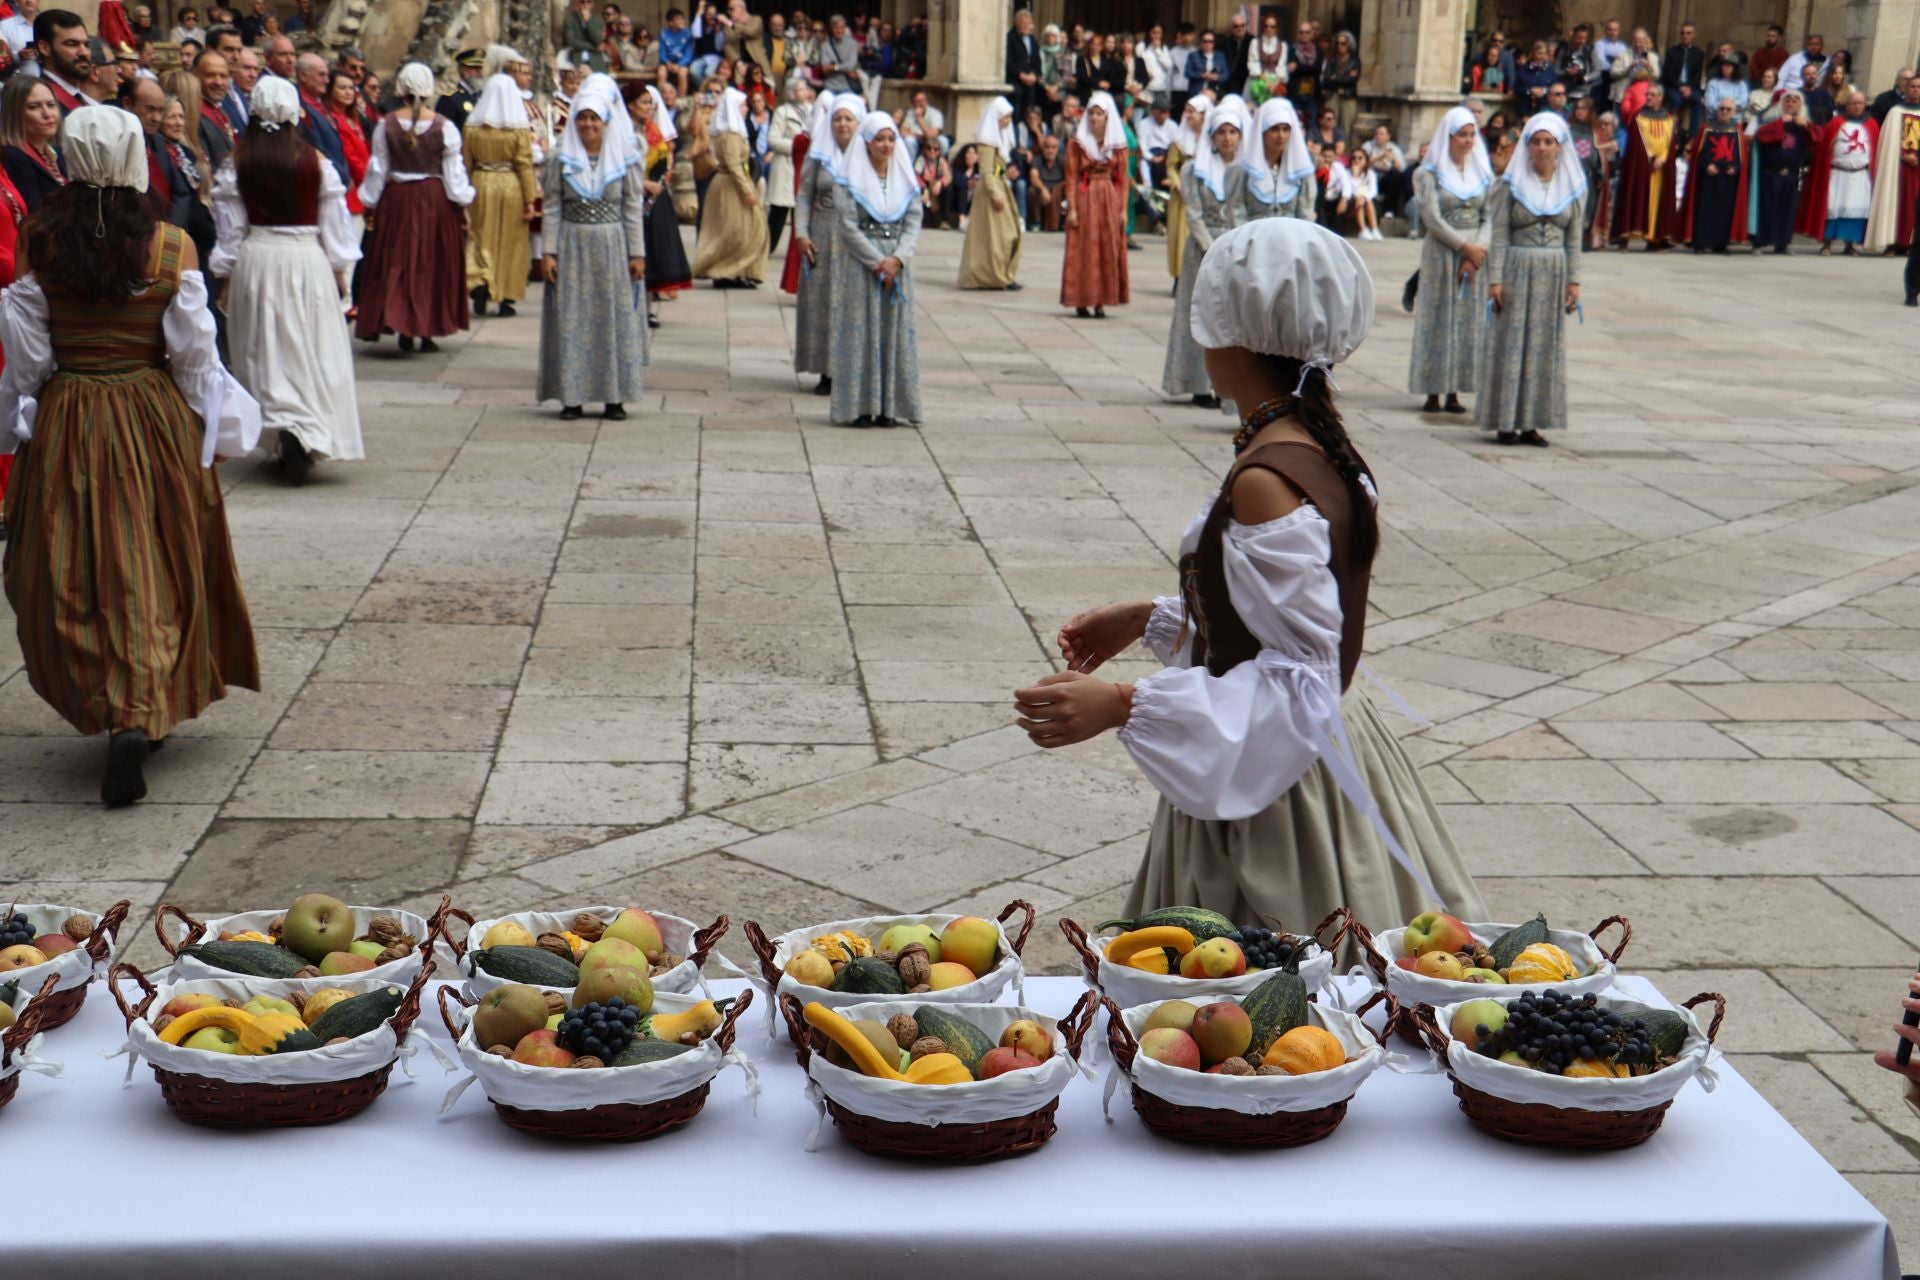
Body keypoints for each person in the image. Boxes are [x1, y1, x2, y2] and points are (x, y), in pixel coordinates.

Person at [1020, 216, 1484, 944]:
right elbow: (1286, 622)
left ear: (1230, 334)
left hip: (1283, 787)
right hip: (1327, 752)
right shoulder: (1314, 443)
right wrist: (1151, 617)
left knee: (1269, 1006)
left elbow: (1298, 681)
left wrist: (1119, 703)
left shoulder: (1265, 478)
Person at [0, 106, 260, 805]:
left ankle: (110, 697)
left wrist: (15, 429)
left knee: (71, 570)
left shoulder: (40, 242)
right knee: (159, 558)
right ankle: (140, 705)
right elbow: (196, 361)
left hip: (71, 415)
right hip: (151, 418)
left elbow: (27, 365)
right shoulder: (170, 245)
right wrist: (219, 429)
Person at [210, 76, 359, 486]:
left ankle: (282, 423)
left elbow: (230, 230)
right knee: (309, 346)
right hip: (306, 259)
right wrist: (340, 269)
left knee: (265, 347)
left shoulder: (236, 163)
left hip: (257, 259)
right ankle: (304, 425)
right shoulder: (316, 162)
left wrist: (225, 275)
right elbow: (334, 223)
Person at [536, 78, 647, 422]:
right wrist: (549, 252)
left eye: (594, 119)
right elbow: (552, 206)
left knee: (612, 318)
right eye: (582, 118)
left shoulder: (623, 158)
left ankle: (614, 396)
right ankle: (573, 396)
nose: (588, 125)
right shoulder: (560, 158)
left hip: (612, 244)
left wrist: (637, 252)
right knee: (573, 318)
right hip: (573, 243)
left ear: (605, 122)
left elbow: (631, 206)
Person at [1478, 113, 1583, 447]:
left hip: (1553, 270)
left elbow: (1574, 239)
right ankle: (1507, 420)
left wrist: (1574, 281)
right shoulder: (1510, 185)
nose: (1542, 148)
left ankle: (1533, 423)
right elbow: (1499, 235)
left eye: (1548, 142)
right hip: (1517, 267)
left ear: (1559, 147)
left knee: (1543, 346)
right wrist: (1495, 279)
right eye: (1536, 141)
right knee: (1511, 343)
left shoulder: (1572, 186)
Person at [355, 62, 474, 352]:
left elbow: (378, 169)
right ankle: (426, 330)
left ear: (402, 88)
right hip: (434, 201)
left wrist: (370, 201)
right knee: (430, 262)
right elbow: (454, 175)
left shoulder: (387, 125)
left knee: (399, 261)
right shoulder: (444, 127)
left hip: (397, 200)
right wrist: (462, 204)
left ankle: (404, 327)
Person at [826, 109, 919, 428]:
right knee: (862, 331)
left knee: (893, 332)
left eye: (891, 139)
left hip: (897, 265)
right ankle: (861, 406)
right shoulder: (850, 176)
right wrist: (877, 261)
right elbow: (848, 226)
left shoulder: (903, 175)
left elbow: (914, 219)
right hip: (864, 267)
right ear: (866, 142)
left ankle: (890, 406)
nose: (886, 145)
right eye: (879, 139)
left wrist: (899, 258)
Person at [1161, 94, 1243, 408]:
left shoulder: (1245, 171)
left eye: (1232, 132)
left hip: (1235, 249)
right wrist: (1212, 247)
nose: (1226, 138)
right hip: (1203, 250)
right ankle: (1197, 382)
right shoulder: (1194, 169)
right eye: (1221, 132)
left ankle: (1227, 385)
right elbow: (1193, 213)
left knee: (1230, 318)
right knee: (1200, 313)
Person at [1408, 107, 1491, 416]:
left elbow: (1490, 216)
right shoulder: (1428, 174)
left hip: (1475, 255)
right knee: (1438, 317)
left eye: (1471, 135)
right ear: (1450, 137)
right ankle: (1432, 388)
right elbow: (1432, 217)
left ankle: (1456, 389)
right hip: (1443, 251)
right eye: (1462, 135)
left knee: (1467, 321)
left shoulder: (1482, 172)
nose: (1468, 141)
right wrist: (1463, 246)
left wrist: (1478, 248)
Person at [790, 90, 854, 392]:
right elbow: (804, 195)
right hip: (824, 232)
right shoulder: (819, 154)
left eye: (848, 119)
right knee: (823, 301)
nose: (842, 125)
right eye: (837, 119)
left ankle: (851, 366)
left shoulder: (867, 155)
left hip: (855, 235)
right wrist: (802, 234)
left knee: (851, 302)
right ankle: (825, 369)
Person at [461, 72, 537, 318]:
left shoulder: (472, 127)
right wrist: (530, 200)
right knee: (511, 240)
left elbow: (465, 163)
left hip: (481, 182)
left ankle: (481, 279)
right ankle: (506, 296)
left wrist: (465, 193)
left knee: (481, 236)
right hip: (511, 184)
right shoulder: (518, 130)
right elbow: (524, 164)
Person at [1060, 89, 1128, 319]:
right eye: (1091, 113)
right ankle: (1081, 298)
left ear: (1108, 117)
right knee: (1084, 247)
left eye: (1099, 114)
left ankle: (1101, 300)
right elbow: (1071, 177)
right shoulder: (1077, 144)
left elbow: (1123, 179)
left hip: (1109, 195)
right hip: (1086, 194)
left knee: (1106, 246)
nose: (1094, 118)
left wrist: (1123, 209)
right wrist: (1072, 207)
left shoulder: (1117, 145)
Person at [692, 85, 768, 287]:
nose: (746, 109)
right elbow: (734, 165)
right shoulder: (730, 135)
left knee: (742, 229)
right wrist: (747, 190)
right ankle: (725, 272)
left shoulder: (733, 132)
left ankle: (736, 271)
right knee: (737, 230)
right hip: (730, 186)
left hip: (732, 184)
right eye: (742, 106)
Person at [1799, 89, 1877, 255]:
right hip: (1838, 174)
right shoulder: (1835, 123)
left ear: (1864, 105)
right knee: (1832, 208)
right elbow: (1822, 149)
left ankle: (1851, 244)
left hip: (1861, 175)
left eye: (1859, 103)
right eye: (1852, 103)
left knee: (1857, 209)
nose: (1856, 107)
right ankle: (1827, 244)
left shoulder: (1871, 124)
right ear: (1846, 105)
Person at [956, 95, 1022, 290]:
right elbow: (985, 172)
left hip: (1000, 187)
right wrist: (996, 195)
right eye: (1005, 117)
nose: (1007, 121)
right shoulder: (987, 141)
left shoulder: (997, 139)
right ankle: (996, 275)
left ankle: (1003, 274)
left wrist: (1005, 173)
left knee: (1006, 234)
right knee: (1000, 235)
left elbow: (995, 169)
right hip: (991, 193)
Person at [1611, 82, 1679, 248]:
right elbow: (1636, 144)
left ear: (1660, 98)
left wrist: (1662, 157)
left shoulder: (1669, 119)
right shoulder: (1638, 118)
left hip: (1661, 167)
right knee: (1636, 195)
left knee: (1658, 201)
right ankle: (1628, 233)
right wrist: (1648, 158)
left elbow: (1670, 143)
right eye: (1647, 94)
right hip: (1642, 166)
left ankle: (1656, 238)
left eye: (1652, 95)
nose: (1648, 97)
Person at [1680, 98, 1750, 253]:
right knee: (1705, 210)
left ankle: (1720, 244)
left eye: (1728, 109)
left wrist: (1736, 168)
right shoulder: (1706, 128)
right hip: (1709, 176)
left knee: (1724, 212)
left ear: (1734, 112)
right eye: (1722, 109)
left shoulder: (1738, 130)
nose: (1724, 112)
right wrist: (1707, 165)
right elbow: (1699, 153)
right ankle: (1701, 243)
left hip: (1728, 178)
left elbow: (1742, 156)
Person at [1752, 89, 1813, 254]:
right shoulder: (1771, 120)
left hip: (1792, 174)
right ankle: (1759, 243)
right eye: (1788, 101)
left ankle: (1782, 243)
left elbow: (1817, 138)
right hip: (1772, 173)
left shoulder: (1802, 124)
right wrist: (1780, 123)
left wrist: (1805, 125)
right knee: (1767, 209)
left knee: (1787, 210)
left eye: (1794, 102)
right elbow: (1762, 136)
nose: (1791, 104)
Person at [1865, 75, 1920, 254]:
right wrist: (1903, 156)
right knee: (1894, 203)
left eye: (1919, 87)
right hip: (1897, 167)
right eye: (1912, 86)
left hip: (1917, 167)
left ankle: (1911, 244)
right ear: (1905, 88)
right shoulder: (1895, 112)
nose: (1915, 90)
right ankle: (1892, 242)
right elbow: (1889, 143)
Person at [1240, 95, 1315, 223]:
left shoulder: (1300, 169)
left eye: (1285, 130)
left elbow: (1306, 214)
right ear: (1262, 132)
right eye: (1274, 129)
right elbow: (1238, 213)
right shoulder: (1245, 169)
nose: (1281, 136)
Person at [0, 75, 65, 212]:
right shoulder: (13, 156)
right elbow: (35, 214)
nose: (47, 114)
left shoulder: (52, 154)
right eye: (34, 107)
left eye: (51, 105)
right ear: (14, 114)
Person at [1161, 95, 1207, 278]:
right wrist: (1177, 183)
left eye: (1192, 111)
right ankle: (1179, 275)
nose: (1188, 115)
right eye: (1186, 111)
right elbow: (1171, 165)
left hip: (1204, 193)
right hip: (1183, 195)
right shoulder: (1180, 139)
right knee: (1180, 235)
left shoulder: (1211, 137)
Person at [766, 74, 809, 250]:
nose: (803, 92)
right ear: (791, 92)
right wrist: (796, 146)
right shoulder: (782, 112)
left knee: (800, 214)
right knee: (778, 213)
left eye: (804, 88)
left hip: (804, 166)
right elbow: (773, 140)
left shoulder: (810, 110)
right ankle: (767, 248)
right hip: (785, 165)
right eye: (799, 89)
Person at [1662, 21, 1706, 135]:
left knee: (1698, 100)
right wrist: (1680, 87)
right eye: (1682, 33)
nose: (1685, 36)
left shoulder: (1699, 53)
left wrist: (1690, 88)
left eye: (1688, 33)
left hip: (1691, 86)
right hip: (1674, 85)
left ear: (1694, 35)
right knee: (1676, 100)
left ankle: (1693, 134)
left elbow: (1697, 74)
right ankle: (1672, 132)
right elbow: (1668, 74)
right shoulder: (1672, 52)